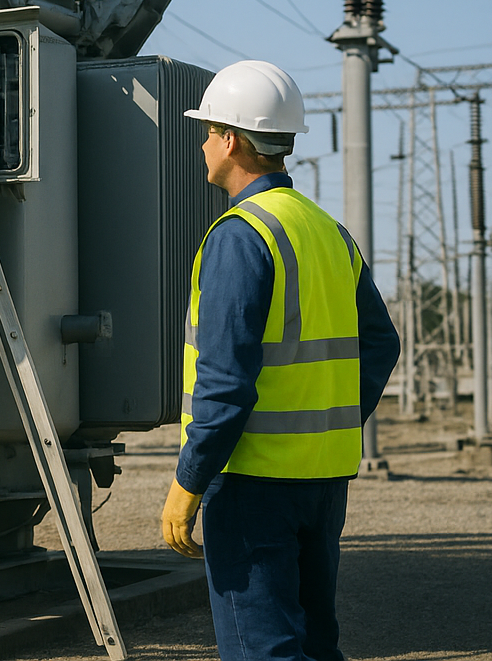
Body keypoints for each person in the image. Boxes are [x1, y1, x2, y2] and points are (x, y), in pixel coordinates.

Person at [159, 59, 400, 661]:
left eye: (209, 130)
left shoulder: (241, 235)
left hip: (252, 482)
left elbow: (224, 381)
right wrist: (334, 416)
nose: (204, 142)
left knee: (262, 648)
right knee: (316, 643)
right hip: (322, 480)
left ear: (233, 139)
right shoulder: (329, 231)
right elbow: (381, 343)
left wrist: (189, 481)